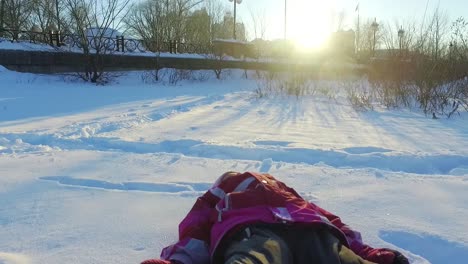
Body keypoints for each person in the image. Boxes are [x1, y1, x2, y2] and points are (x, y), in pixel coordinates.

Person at [142, 171, 409, 264]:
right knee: (258, 255)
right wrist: (178, 260)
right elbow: (197, 225)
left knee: (335, 256)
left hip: (310, 230)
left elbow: (332, 221)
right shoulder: (225, 190)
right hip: (252, 229)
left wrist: (369, 253)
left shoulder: (292, 196)